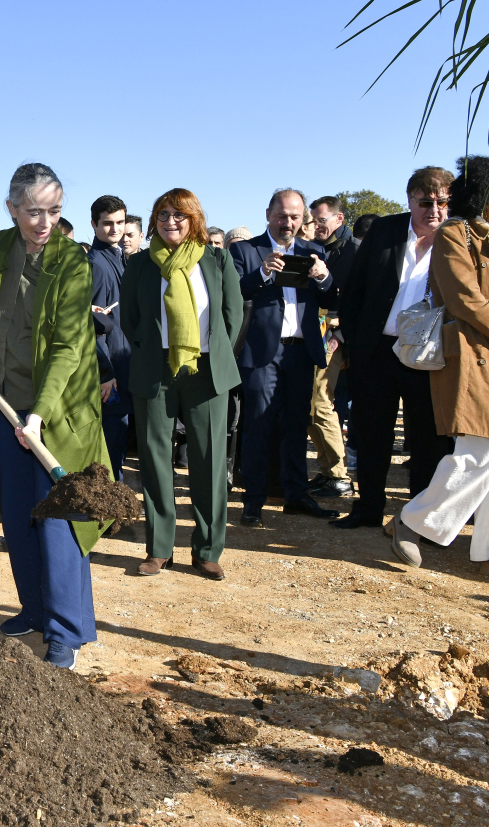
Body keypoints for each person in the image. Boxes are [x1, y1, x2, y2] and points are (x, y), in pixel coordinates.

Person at [0, 163, 111, 670]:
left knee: (59, 520)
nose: (45, 222)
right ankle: (35, 609)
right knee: (17, 516)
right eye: (35, 211)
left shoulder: (73, 264)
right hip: (3, 402)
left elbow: (67, 347)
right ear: (12, 208)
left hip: (56, 412)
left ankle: (66, 631)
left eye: (55, 211)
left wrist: (38, 415)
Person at [392, 157, 489, 583]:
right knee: (482, 453)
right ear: (484, 197)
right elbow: (465, 299)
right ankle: (413, 521)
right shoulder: (454, 236)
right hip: (478, 360)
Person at [121, 189, 244, 578]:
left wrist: (216, 351)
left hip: (206, 371)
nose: (170, 221)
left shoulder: (217, 260)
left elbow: (232, 315)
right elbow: (131, 319)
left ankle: (208, 550)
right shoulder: (140, 264)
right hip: (154, 371)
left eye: (179, 214)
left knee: (208, 463)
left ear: (194, 219)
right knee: (156, 461)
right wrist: (148, 350)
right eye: (162, 214)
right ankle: (159, 549)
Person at [328, 169, 456, 530]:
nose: (435, 210)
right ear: (410, 200)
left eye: (443, 202)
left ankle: (418, 520)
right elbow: (354, 289)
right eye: (426, 202)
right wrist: (352, 340)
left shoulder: (459, 238)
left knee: (429, 441)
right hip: (377, 351)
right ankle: (368, 509)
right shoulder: (385, 230)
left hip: (431, 354)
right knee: (371, 435)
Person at [230, 189, 338, 526]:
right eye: (281, 215)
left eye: (294, 216)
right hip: (263, 352)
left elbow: (332, 294)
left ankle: (296, 496)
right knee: (258, 427)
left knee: (296, 427)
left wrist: (322, 275)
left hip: (301, 352)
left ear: (302, 218)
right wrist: (262, 273)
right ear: (268, 215)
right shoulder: (246, 251)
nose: (287, 222)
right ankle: (253, 501)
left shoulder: (314, 251)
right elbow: (234, 293)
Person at [306, 195, 357, 498]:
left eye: (321, 220)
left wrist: (342, 336)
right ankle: (327, 470)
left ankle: (339, 474)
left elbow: (357, 300)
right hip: (318, 336)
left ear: (339, 219)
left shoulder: (352, 252)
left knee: (321, 403)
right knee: (311, 407)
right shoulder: (320, 250)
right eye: (312, 221)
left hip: (334, 341)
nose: (316, 226)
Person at [87, 195, 132, 480]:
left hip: (123, 363)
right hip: (110, 370)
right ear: (93, 224)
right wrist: (105, 372)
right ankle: (106, 511)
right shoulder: (97, 264)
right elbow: (91, 324)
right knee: (109, 443)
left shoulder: (118, 257)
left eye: (120, 222)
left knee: (118, 441)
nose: (114, 229)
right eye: (107, 223)